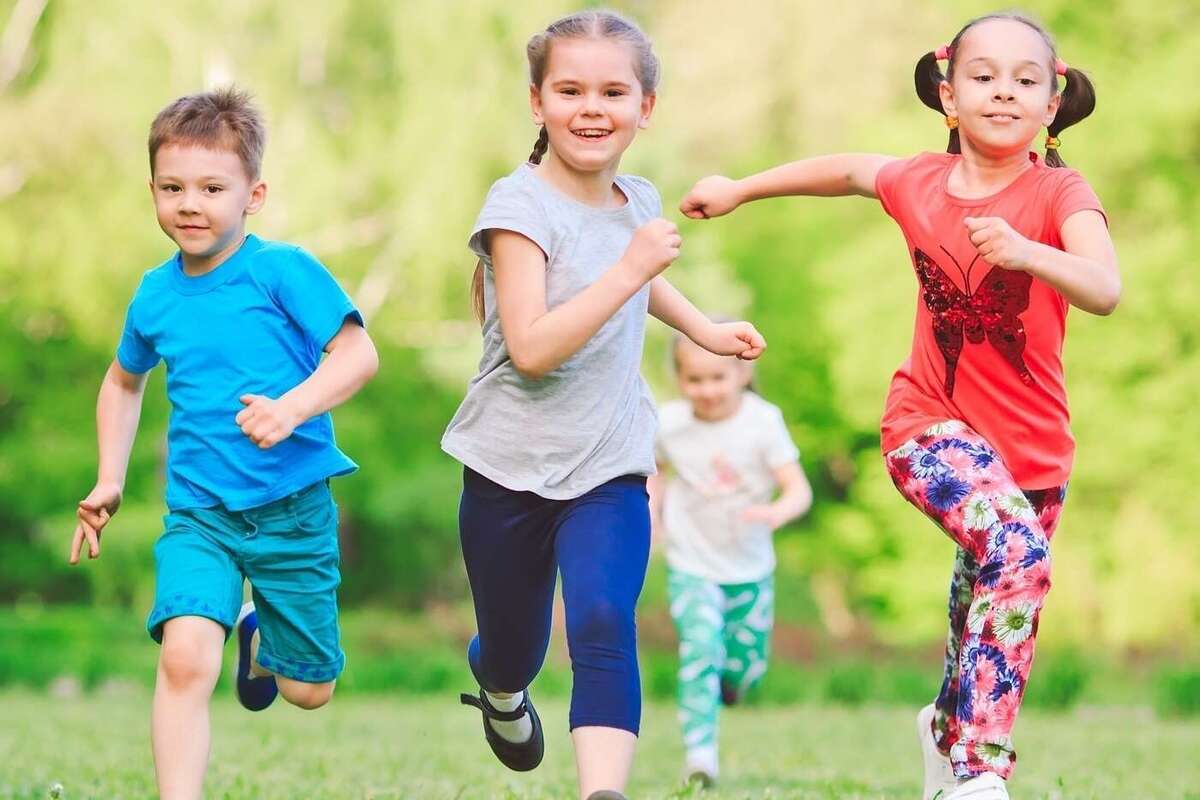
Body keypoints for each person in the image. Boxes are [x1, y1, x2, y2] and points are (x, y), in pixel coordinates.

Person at [679, 13, 1118, 800]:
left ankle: (948, 731)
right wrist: (741, 189)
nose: (1004, 92)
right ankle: (980, 770)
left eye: (1025, 80)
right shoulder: (919, 182)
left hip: (1034, 452)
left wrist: (1029, 252)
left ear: (1051, 104)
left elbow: (1105, 287)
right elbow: (849, 170)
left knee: (984, 604)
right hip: (927, 426)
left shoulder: (1061, 192)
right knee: (1017, 552)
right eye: (984, 76)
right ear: (948, 96)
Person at [440, 11, 765, 800]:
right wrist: (630, 269)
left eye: (613, 92)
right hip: (508, 467)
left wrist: (704, 329)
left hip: (610, 461)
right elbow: (532, 347)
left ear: (644, 107)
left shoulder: (636, 199)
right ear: (538, 102)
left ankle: (602, 791)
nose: (592, 108)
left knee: (601, 621)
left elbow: (642, 285)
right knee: (515, 649)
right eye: (570, 90)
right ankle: (500, 685)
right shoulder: (518, 209)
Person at [69, 87, 379, 800]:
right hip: (200, 514)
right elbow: (122, 382)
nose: (190, 204)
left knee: (308, 691)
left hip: (292, 509)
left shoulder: (283, 272)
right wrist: (110, 477)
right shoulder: (154, 295)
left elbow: (358, 354)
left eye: (212, 188)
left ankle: (260, 637)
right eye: (172, 187)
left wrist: (292, 408)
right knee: (184, 659)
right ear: (152, 190)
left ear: (253, 195)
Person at [650, 333, 811, 787]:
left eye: (717, 377)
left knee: (746, 665)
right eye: (694, 379)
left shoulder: (763, 422)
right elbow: (654, 471)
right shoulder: (669, 423)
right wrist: (652, 512)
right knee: (700, 648)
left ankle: (732, 685)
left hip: (750, 567)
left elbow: (798, 489)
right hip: (691, 562)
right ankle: (700, 754)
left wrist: (777, 512)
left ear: (742, 373)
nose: (707, 390)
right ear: (679, 378)